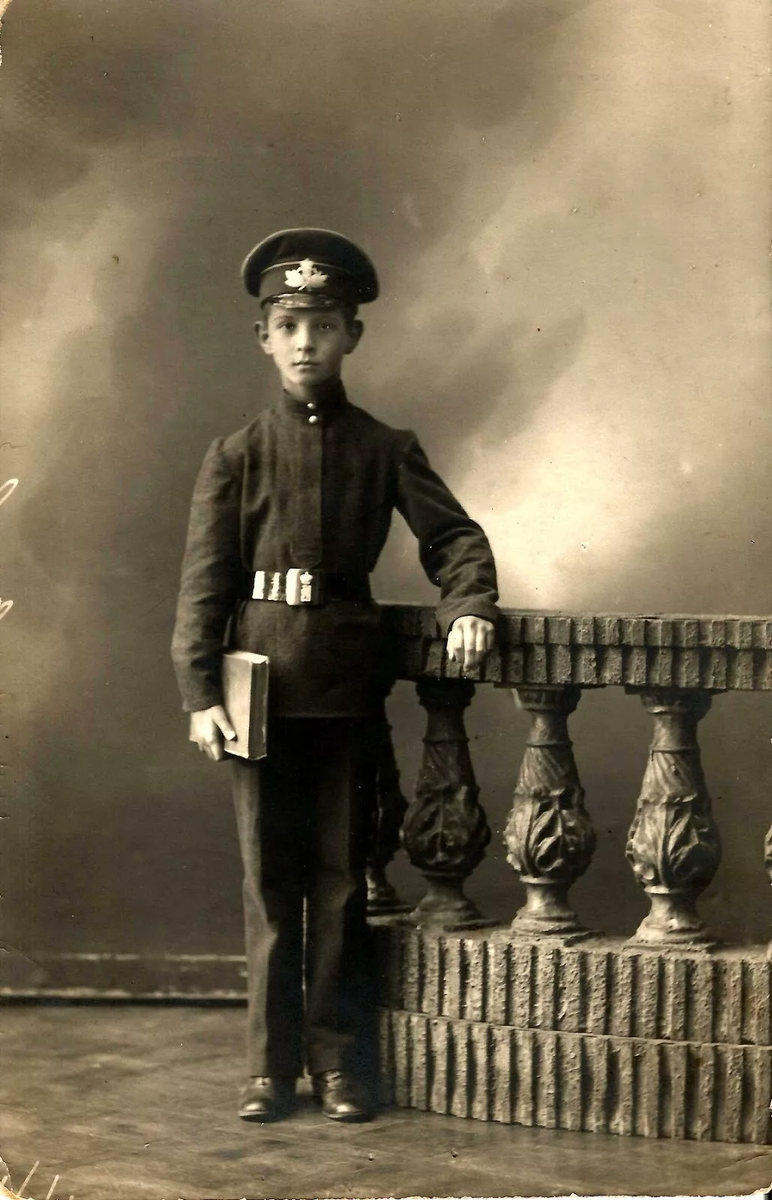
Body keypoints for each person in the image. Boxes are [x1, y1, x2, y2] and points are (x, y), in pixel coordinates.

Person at [171, 228, 500, 1124]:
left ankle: (340, 1063)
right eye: (288, 325)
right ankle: (268, 1071)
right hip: (259, 698)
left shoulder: (384, 447)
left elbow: (454, 538)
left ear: (352, 334)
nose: (306, 341)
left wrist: (470, 604)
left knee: (344, 885)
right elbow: (203, 587)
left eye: (323, 323)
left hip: (348, 692)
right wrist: (199, 694)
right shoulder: (236, 455)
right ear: (264, 339)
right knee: (270, 889)